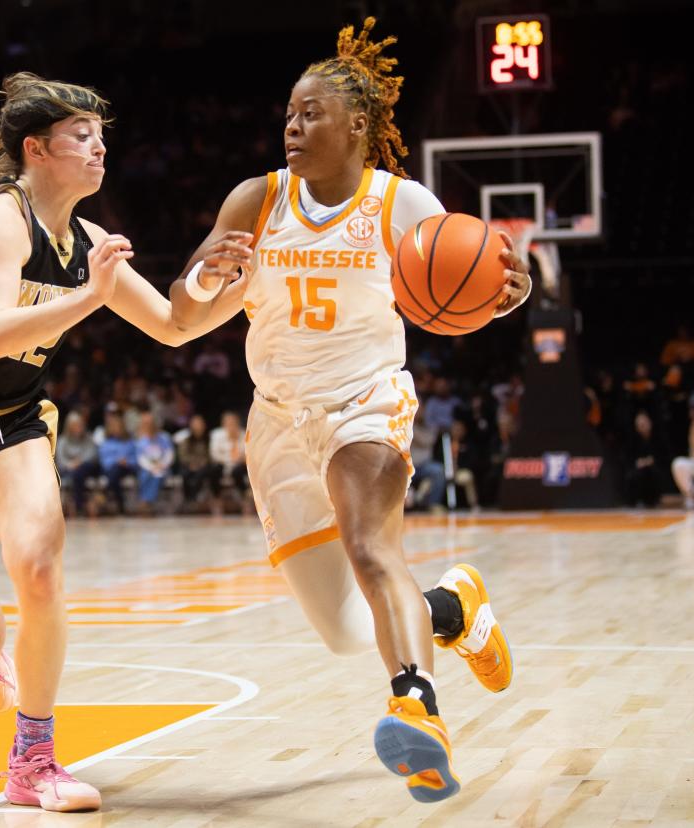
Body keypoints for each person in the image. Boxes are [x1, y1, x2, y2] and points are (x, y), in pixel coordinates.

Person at [167, 19, 531, 802]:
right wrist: (204, 280)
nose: (292, 127)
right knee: (341, 628)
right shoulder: (258, 198)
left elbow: (474, 284)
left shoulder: (403, 204)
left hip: (365, 401)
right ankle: (453, 607)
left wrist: (510, 291)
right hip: (277, 419)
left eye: (310, 114)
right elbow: (182, 314)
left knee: (372, 546)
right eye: (289, 115)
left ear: (358, 125)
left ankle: (417, 708)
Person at [0, 72, 248, 812]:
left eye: (102, 135)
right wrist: (88, 298)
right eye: (82, 135)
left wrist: (232, 291)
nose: (99, 147)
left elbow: (172, 324)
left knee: (40, 566)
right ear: (36, 149)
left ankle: (33, 758)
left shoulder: (93, 243)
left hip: (9, 420)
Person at [55, 411, 100, 517]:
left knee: (80, 471)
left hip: (86, 468)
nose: (78, 428)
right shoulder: (62, 441)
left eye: (80, 425)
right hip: (68, 469)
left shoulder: (88, 438)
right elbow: (61, 460)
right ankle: (79, 505)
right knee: (75, 474)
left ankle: (79, 505)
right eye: (75, 425)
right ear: (69, 427)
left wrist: (79, 462)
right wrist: (71, 464)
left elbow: (93, 454)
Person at [174, 414, 222, 510]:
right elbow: (183, 456)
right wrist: (192, 463)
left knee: (208, 471)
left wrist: (201, 463)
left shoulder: (210, 439)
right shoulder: (186, 440)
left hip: (205, 466)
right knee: (185, 473)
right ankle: (188, 499)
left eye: (199, 424)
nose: (197, 426)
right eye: (195, 424)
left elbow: (212, 454)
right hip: (190, 465)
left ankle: (195, 497)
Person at [208, 410, 250, 514]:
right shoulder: (216, 435)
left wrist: (239, 459)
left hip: (239, 466)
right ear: (224, 424)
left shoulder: (244, 434)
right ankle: (217, 499)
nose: (231, 425)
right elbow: (215, 454)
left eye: (233, 422)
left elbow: (247, 453)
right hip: (223, 464)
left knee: (238, 471)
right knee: (214, 470)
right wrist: (232, 459)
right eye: (228, 423)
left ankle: (245, 499)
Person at [96, 410, 137, 515]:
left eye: (118, 427)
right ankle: (120, 505)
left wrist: (126, 461)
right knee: (114, 472)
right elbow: (104, 460)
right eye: (113, 427)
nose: (116, 429)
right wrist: (116, 461)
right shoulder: (106, 443)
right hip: (112, 469)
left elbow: (135, 458)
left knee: (115, 472)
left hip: (127, 468)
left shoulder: (130, 442)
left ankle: (105, 494)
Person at [624, 410, 667, 507]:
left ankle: (654, 500)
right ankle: (636, 501)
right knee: (635, 475)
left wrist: (651, 460)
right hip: (638, 469)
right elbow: (628, 458)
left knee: (654, 472)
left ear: (650, 422)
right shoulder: (633, 440)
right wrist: (639, 462)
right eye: (640, 425)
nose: (642, 426)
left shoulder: (658, 437)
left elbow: (663, 455)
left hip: (654, 468)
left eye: (644, 423)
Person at [134, 413, 174, 512]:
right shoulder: (141, 441)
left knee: (158, 475)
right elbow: (141, 459)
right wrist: (152, 467)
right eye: (146, 424)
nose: (149, 426)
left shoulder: (164, 438)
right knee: (145, 475)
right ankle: (147, 502)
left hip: (164, 467)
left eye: (150, 423)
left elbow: (169, 454)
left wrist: (162, 465)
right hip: (148, 468)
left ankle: (145, 502)